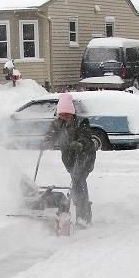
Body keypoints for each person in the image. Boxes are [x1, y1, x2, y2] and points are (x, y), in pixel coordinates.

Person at [47, 93, 96, 227]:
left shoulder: (81, 122)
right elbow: (50, 135)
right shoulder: (57, 123)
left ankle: (84, 217)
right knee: (76, 182)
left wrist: (80, 143)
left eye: (68, 114)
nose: (65, 117)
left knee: (78, 181)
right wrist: (48, 141)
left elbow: (86, 136)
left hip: (84, 156)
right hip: (69, 158)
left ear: (72, 113)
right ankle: (79, 208)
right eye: (62, 114)